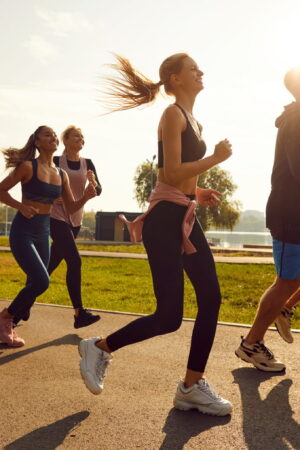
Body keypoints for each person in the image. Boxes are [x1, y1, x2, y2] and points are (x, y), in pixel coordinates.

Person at [78, 53, 233, 416]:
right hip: (164, 221)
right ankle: (99, 347)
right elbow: (172, 171)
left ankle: (191, 387)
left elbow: (182, 181)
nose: (201, 71)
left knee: (210, 298)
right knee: (169, 317)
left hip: (184, 215)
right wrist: (214, 159)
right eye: (194, 68)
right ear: (175, 78)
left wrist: (198, 193)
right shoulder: (172, 114)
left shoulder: (194, 121)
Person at [0, 126, 96, 347]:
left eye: (54, 135)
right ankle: (6, 318)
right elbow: (1, 190)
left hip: (43, 232)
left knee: (39, 281)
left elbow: (71, 208)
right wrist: (19, 206)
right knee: (42, 281)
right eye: (47, 135)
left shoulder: (61, 174)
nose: (53, 137)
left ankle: (9, 323)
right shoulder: (27, 167)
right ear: (37, 142)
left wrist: (86, 198)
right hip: (23, 231)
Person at [235, 67, 300, 371]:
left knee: (287, 284)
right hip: (291, 214)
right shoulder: (296, 119)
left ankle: (285, 309)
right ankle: (251, 344)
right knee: (284, 282)